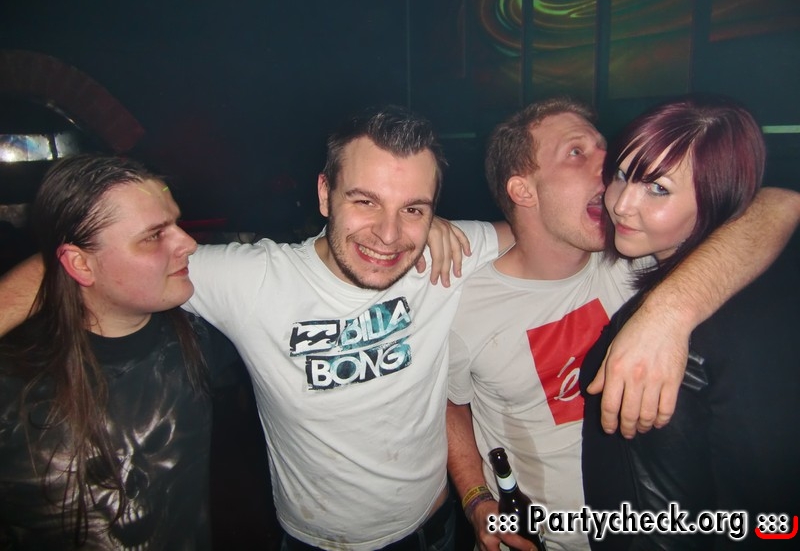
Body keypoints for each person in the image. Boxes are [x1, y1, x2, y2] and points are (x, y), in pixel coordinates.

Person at [2, 105, 793, 550]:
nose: (389, 235)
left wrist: (671, 309)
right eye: (364, 202)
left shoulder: (459, 252)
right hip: (315, 541)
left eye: (414, 207)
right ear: (324, 194)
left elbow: (773, 203)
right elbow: (81, 262)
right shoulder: (252, 279)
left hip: (438, 528)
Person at [445, 98, 800, 551]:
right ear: (523, 190)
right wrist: (476, 498)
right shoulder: (465, 307)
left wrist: (667, 311)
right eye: (577, 152)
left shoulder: (637, 254)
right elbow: (450, 403)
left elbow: (777, 205)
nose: (607, 163)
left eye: (604, 148)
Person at [580, 95, 800, 549]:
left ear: (718, 195)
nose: (621, 204)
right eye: (621, 174)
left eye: (658, 188)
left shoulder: (674, 340)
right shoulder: (765, 276)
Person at [0, 156, 239, 549]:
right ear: (80, 264)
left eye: (175, 223)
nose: (189, 243)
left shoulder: (204, 339)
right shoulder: (13, 382)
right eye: (153, 236)